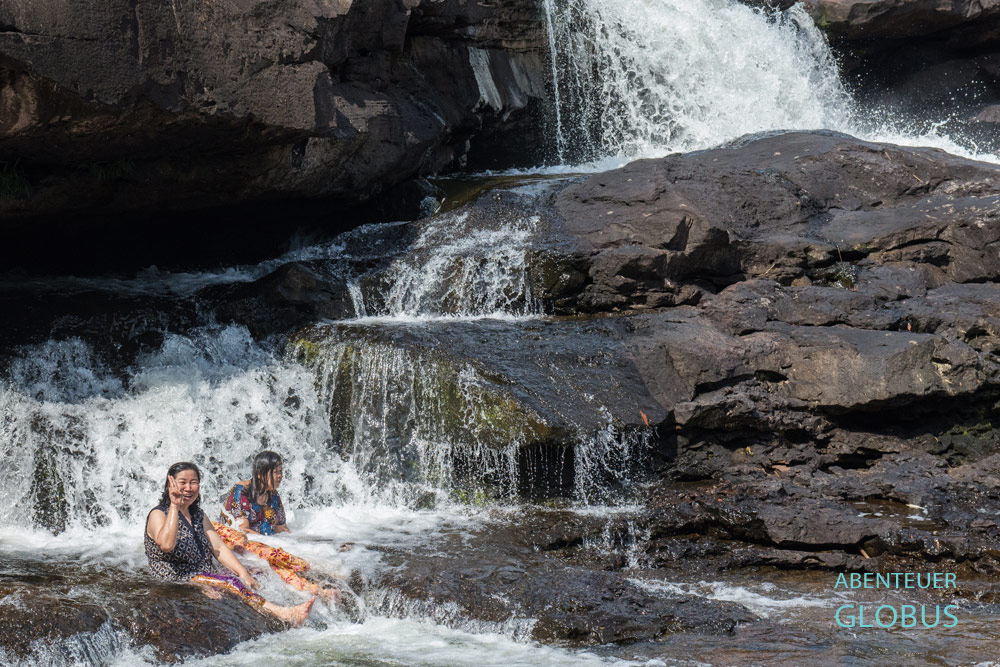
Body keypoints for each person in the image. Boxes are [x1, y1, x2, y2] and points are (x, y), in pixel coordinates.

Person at [144, 461, 315, 625]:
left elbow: (218, 548)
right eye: (182, 483)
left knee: (256, 572)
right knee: (230, 583)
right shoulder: (159, 514)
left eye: (193, 482)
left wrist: (243, 572)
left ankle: (297, 597)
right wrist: (174, 505)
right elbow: (166, 545)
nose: (188, 488)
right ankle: (282, 613)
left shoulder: (197, 514)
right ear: (170, 485)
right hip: (177, 577)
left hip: (202, 573)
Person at [214, 451, 340, 602]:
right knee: (276, 564)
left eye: (281, 472)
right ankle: (316, 589)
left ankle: (321, 580)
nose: (280, 476)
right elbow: (243, 531)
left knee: (282, 558)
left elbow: (283, 529)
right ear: (260, 474)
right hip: (238, 547)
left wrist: (297, 544)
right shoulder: (241, 492)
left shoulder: (273, 496)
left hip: (266, 545)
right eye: (275, 472)